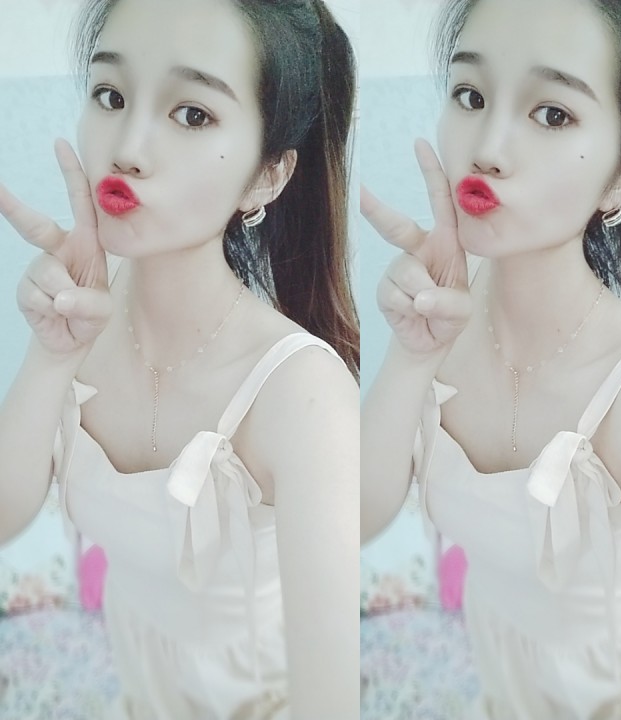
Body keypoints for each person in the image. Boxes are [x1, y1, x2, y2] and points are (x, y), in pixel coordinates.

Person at [0, 0, 359, 717]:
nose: (128, 147)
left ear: (266, 176)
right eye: (111, 95)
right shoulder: (84, 313)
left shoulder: (302, 392)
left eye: (191, 114)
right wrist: (51, 355)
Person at [361, 0, 621, 717]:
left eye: (552, 114)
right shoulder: (444, 311)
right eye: (471, 95)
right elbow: (353, 522)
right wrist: (411, 356)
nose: (488, 147)